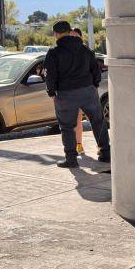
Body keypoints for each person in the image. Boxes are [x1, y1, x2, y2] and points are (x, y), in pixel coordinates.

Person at [44, 20, 110, 168]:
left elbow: (50, 76)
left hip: (66, 94)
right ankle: (106, 154)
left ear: (55, 34)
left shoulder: (54, 53)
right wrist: (93, 86)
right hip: (88, 91)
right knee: (98, 121)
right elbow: (96, 71)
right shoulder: (85, 49)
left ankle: (71, 159)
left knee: (67, 126)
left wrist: (52, 93)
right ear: (69, 31)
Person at [71, 27, 85, 155]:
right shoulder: (67, 53)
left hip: (86, 91)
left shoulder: (85, 52)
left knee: (94, 120)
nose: (73, 39)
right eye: (71, 36)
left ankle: (102, 146)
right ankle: (77, 145)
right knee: (76, 120)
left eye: (76, 36)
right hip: (72, 92)